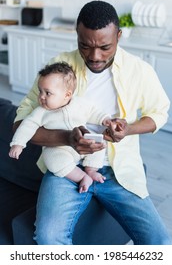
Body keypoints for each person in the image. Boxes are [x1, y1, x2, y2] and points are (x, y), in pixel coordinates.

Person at [13, 0, 172, 245]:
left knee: (160, 244)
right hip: (66, 166)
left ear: (119, 36)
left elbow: (160, 113)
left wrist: (128, 129)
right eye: (84, 46)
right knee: (47, 237)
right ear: (76, 34)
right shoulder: (59, 68)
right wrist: (67, 139)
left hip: (119, 170)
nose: (94, 56)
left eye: (105, 47)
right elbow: (22, 120)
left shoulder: (139, 70)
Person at [9, 62, 112, 193]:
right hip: (59, 149)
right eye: (40, 91)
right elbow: (27, 126)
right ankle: (81, 177)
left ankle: (91, 170)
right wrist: (18, 144)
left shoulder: (79, 104)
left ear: (67, 95)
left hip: (84, 143)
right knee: (51, 158)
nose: (41, 96)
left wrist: (105, 119)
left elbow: (93, 112)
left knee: (100, 143)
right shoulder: (41, 112)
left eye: (48, 93)